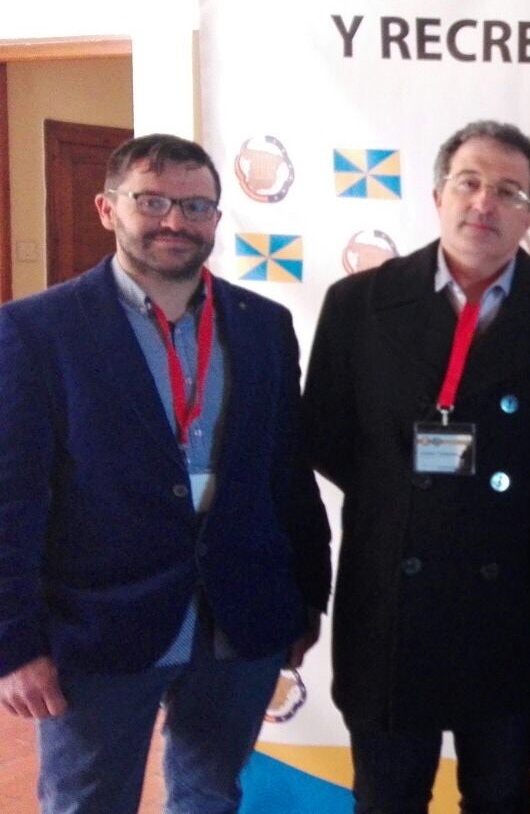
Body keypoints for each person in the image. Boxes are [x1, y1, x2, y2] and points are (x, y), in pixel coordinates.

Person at [0, 134, 331, 813]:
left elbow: (285, 475)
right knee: (88, 801)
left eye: (195, 205)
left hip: (239, 618)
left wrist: (305, 599)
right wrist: (12, 644)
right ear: (106, 208)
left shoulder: (264, 326)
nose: (175, 221)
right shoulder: (35, 331)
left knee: (211, 795)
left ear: (215, 218)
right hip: (98, 626)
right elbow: (11, 501)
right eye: (152, 201)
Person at [302, 121, 530, 813]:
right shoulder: (359, 304)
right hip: (389, 605)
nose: (484, 203)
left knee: (501, 797)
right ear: (437, 193)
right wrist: (411, 500)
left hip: (506, 605)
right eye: (469, 183)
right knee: (387, 796)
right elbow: (324, 434)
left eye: (508, 191)